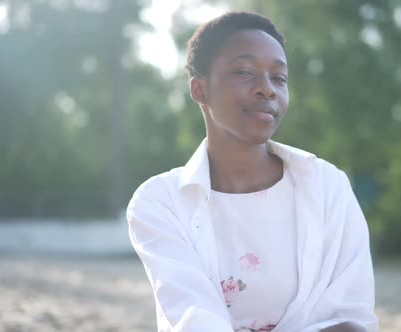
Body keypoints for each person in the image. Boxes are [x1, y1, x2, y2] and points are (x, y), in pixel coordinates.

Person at [127, 11, 378, 332]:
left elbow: (352, 321)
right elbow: (194, 320)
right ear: (200, 90)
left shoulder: (328, 187)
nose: (267, 89)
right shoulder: (160, 202)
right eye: (244, 72)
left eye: (279, 78)